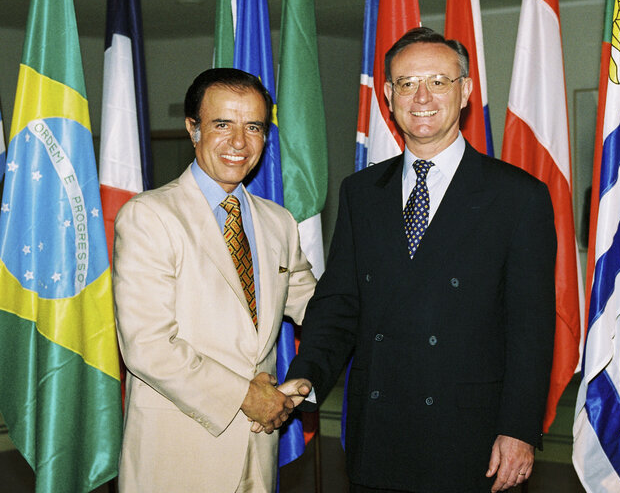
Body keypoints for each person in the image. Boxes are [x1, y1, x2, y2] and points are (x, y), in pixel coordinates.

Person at [284, 27, 557, 493]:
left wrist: (519, 431)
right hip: (378, 435)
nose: (423, 97)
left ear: (465, 90)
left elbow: (530, 328)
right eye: (407, 84)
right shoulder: (361, 192)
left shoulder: (518, 196)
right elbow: (340, 304)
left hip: (471, 439)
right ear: (388, 95)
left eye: (439, 81)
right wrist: (306, 374)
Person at [112, 68, 316, 493]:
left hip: (258, 451)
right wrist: (246, 395)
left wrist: (307, 376)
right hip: (177, 457)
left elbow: (321, 310)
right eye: (223, 124)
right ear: (193, 129)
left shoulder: (278, 223)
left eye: (253, 127)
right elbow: (147, 346)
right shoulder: (150, 217)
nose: (239, 143)